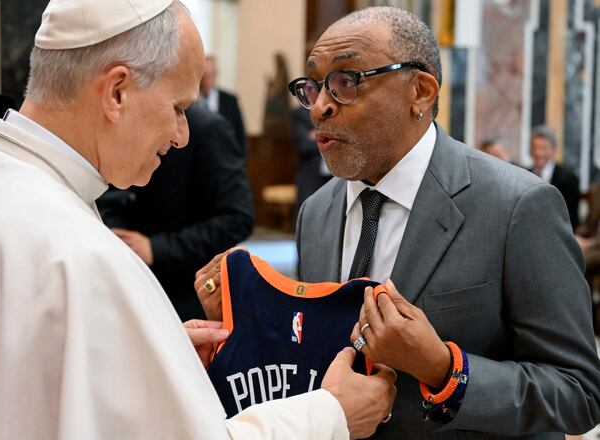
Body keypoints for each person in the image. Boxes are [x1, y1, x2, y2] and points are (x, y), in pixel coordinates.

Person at [0, 1, 397, 438]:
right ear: (116, 91)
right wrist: (329, 415)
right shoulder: (85, 256)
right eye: (179, 107)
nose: (182, 135)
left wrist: (151, 349)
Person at [197, 6, 600, 439]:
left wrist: (445, 369)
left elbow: (579, 394)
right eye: (312, 87)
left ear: (421, 92)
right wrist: (249, 325)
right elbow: (321, 362)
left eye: (346, 82)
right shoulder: (316, 212)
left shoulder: (518, 206)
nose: (319, 108)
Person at [100, 102, 253, 321]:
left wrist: (156, 248)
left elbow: (238, 219)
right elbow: (112, 195)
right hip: (126, 285)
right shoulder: (123, 123)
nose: (181, 136)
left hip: (184, 294)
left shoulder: (209, 129)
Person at [528, 125, 580, 230]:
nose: (538, 153)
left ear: (553, 149)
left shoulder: (568, 178)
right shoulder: (525, 174)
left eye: (543, 148)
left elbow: (571, 217)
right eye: (535, 147)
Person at [200, 55, 246, 152]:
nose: (207, 81)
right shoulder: (191, 100)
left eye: (210, 76)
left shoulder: (230, 101)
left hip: (224, 157)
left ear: (216, 74)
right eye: (204, 76)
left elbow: (239, 134)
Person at [292, 105, 331, 217]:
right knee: (307, 216)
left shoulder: (335, 109)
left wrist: (317, 135)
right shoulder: (301, 113)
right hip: (311, 176)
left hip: (337, 177)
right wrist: (328, 136)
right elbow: (304, 145)